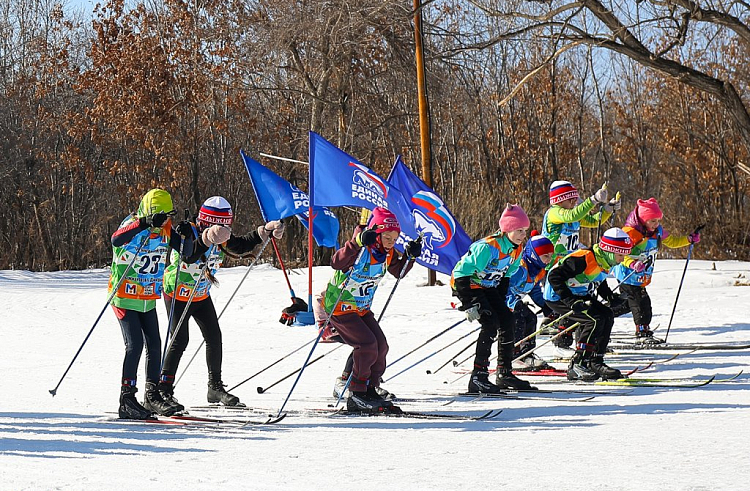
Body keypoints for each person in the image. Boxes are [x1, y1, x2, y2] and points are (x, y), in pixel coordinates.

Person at [151, 196, 285, 414]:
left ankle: (215, 387)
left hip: (201, 294)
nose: (223, 230)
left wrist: (263, 232)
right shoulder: (188, 231)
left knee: (214, 337)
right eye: (218, 225)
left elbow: (240, 245)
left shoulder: (222, 236)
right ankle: (164, 387)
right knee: (180, 339)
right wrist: (205, 238)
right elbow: (189, 255)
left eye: (226, 226)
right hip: (178, 292)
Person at [323, 207, 421, 414]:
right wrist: (357, 243)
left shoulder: (388, 253)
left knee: (381, 346)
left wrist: (410, 258)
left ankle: (370, 388)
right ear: (375, 233)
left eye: (395, 238)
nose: (390, 242)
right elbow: (336, 262)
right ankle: (357, 393)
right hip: (340, 305)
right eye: (386, 236)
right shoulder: (360, 248)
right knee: (366, 345)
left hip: (361, 307)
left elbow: (399, 272)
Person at [109, 188, 193, 419]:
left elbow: (187, 252)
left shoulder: (165, 228)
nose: (164, 221)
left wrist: (188, 235)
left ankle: (152, 395)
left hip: (147, 298)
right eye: (160, 216)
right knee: (134, 345)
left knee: (155, 345)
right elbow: (116, 239)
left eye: (168, 216)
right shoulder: (133, 223)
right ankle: (126, 399)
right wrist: (144, 223)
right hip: (125, 297)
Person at [452, 204, 535, 393]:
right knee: (490, 324)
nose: (523, 235)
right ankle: (478, 376)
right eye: (519, 230)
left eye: (525, 231)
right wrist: (468, 303)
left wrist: (502, 303)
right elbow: (460, 272)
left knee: (507, 320)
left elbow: (505, 277)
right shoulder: (488, 247)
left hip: (488, 286)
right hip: (467, 284)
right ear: (507, 230)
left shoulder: (516, 249)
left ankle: (504, 372)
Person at [543, 227, 633, 381]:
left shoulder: (604, 259)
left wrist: (610, 296)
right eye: (620, 254)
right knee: (593, 320)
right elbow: (554, 276)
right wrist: (570, 301)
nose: (622, 259)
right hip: (557, 296)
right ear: (610, 251)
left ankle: (595, 361)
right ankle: (578, 363)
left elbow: (599, 278)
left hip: (579, 294)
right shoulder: (583, 258)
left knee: (606, 314)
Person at [540, 180, 620, 352]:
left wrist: (608, 209)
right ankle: (561, 337)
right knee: (566, 301)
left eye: (576, 199)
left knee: (580, 300)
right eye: (571, 200)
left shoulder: (572, 214)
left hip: (569, 264)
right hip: (553, 265)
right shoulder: (554, 213)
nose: (575, 203)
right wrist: (593, 200)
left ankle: (585, 339)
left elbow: (593, 221)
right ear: (559, 200)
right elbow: (572, 216)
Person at [611, 198, 701, 343]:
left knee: (627, 304)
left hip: (641, 275)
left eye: (658, 220)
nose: (656, 224)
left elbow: (672, 241)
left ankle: (602, 315)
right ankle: (642, 332)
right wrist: (632, 264)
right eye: (652, 221)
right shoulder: (630, 233)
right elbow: (622, 253)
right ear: (643, 219)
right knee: (641, 302)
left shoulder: (656, 231)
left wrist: (688, 239)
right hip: (627, 275)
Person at [505, 233, 555, 371]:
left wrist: (545, 305)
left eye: (550, 256)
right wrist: (511, 303)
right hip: (503, 300)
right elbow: (503, 286)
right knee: (518, 320)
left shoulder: (538, 270)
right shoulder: (519, 267)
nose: (548, 260)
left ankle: (526, 353)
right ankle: (512, 355)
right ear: (534, 254)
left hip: (515, 301)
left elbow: (534, 290)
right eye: (545, 256)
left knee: (531, 318)